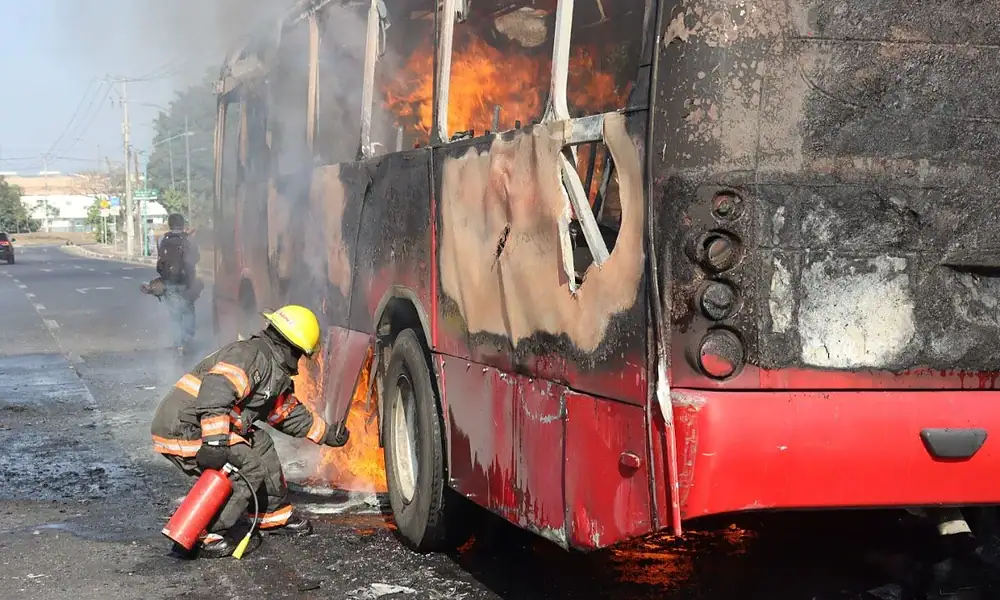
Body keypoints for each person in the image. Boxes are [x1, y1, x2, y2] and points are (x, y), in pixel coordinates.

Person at [150, 305, 350, 558]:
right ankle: (204, 532)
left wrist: (327, 434)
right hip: (183, 429)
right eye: (300, 354)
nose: (299, 362)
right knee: (249, 467)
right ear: (291, 347)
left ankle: (270, 514)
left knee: (261, 443)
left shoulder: (271, 368)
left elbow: (286, 414)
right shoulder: (250, 356)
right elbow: (216, 393)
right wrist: (214, 444)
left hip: (203, 427)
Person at [142, 213, 202, 356]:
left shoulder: (162, 238)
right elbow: (196, 258)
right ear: (182, 224)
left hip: (168, 281)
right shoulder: (189, 239)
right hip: (186, 282)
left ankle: (178, 344)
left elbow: (160, 258)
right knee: (188, 311)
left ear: (169, 224)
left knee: (175, 314)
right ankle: (187, 341)